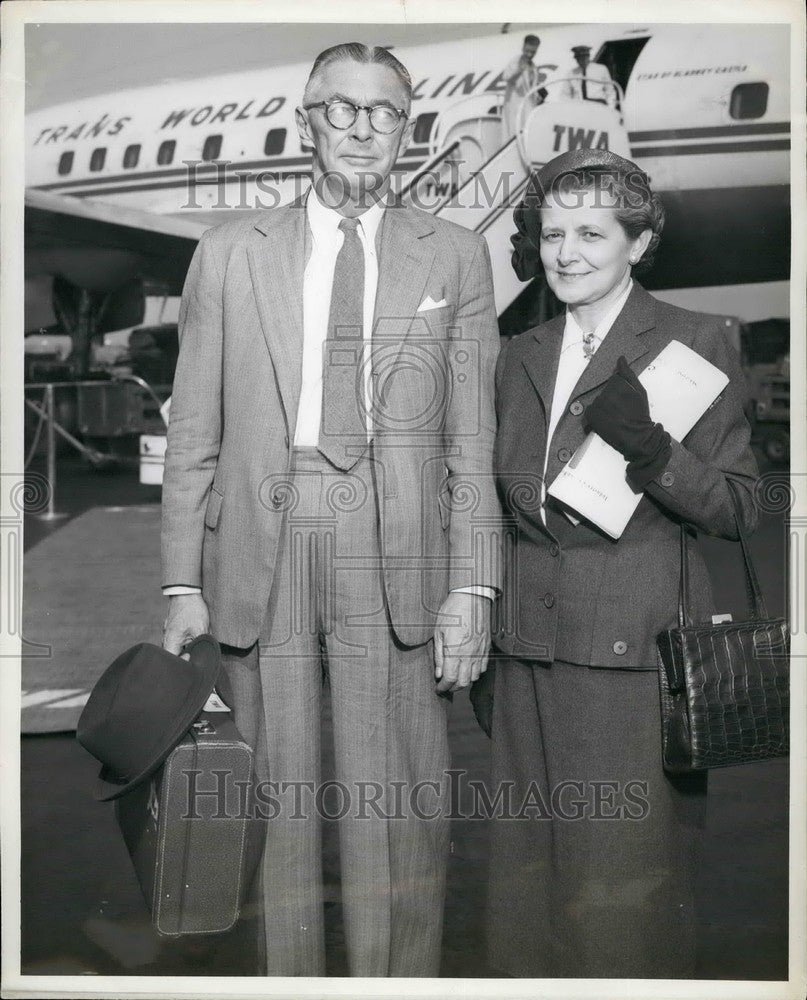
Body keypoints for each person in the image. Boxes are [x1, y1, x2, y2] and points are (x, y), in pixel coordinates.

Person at [160, 43, 501, 977]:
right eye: (341, 109)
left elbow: (471, 440)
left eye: (384, 112)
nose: (362, 128)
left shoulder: (455, 254)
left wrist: (472, 584)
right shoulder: (231, 252)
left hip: (395, 552)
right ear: (305, 120)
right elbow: (194, 426)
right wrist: (181, 579)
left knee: (396, 803)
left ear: (407, 128)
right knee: (275, 807)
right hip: (262, 538)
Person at [471, 148, 759, 978]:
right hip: (524, 652)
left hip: (630, 655)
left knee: (621, 887)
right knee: (522, 879)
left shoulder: (693, 341)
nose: (565, 252)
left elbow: (738, 508)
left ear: (638, 243)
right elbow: (503, 505)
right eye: (551, 233)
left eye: (591, 233)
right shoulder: (519, 351)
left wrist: (649, 449)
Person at [502, 34, 543, 137]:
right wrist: (519, 71)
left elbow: (531, 87)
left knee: (527, 134)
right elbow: (506, 78)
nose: (529, 54)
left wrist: (538, 96)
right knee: (513, 135)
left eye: (533, 52)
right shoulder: (515, 62)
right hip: (515, 105)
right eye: (527, 51)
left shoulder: (533, 67)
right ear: (523, 47)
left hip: (528, 107)